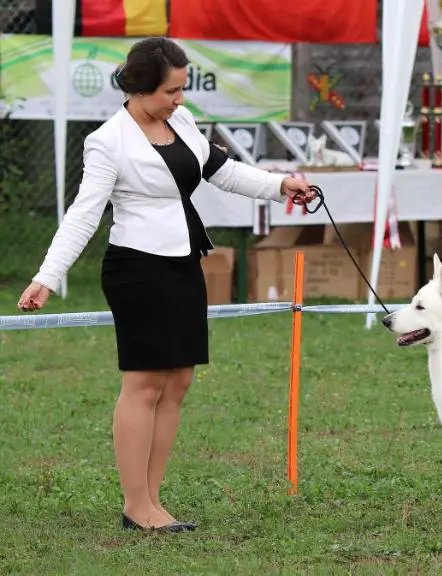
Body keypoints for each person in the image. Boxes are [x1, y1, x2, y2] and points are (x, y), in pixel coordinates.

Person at [16, 37, 317, 533]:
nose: (180, 100)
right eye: (171, 91)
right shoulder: (106, 142)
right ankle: (136, 503)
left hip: (182, 264)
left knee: (178, 381)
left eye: (182, 89)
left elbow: (220, 169)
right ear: (138, 89)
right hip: (137, 269)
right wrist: (47, 277)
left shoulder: (181, 121)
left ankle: (154, 502)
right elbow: (83, 215)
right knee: (144, 383)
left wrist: (279, 183)